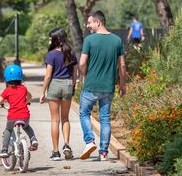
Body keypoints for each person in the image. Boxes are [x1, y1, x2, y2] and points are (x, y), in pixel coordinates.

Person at [78, 11, 126, 161]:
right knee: (105, 119)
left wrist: (84, 75)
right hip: (108, 87)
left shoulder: (89, 40)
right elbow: (122, 66)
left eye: (90, 23)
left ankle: (90, 141)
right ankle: (103, 152)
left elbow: (81, 63)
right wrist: (122, 84)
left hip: (91, 85)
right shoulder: (117, 40)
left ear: (98, 22)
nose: (88, 26)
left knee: (84, 113)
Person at [39, 27, 77, 161]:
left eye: (51, 38)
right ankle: (66, 145)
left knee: (55, 120)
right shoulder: (71, 53)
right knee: (65, 118)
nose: (49, 40)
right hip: (67, 84)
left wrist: (43, 92)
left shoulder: (51, 54)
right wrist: (73, 87)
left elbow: (48, 75)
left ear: (57, 39)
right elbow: (74, 73)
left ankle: (55, 152)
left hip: (55, 84)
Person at [0, 64, 39, 158]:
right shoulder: (24, 88)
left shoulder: (7, 91)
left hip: (12, 117)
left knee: (8, 129)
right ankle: (33, 139)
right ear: (20, 77)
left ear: (6, 79)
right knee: (27, 127)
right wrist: (27, 101)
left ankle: (4, 149)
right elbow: (29, 97)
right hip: (25, 116)